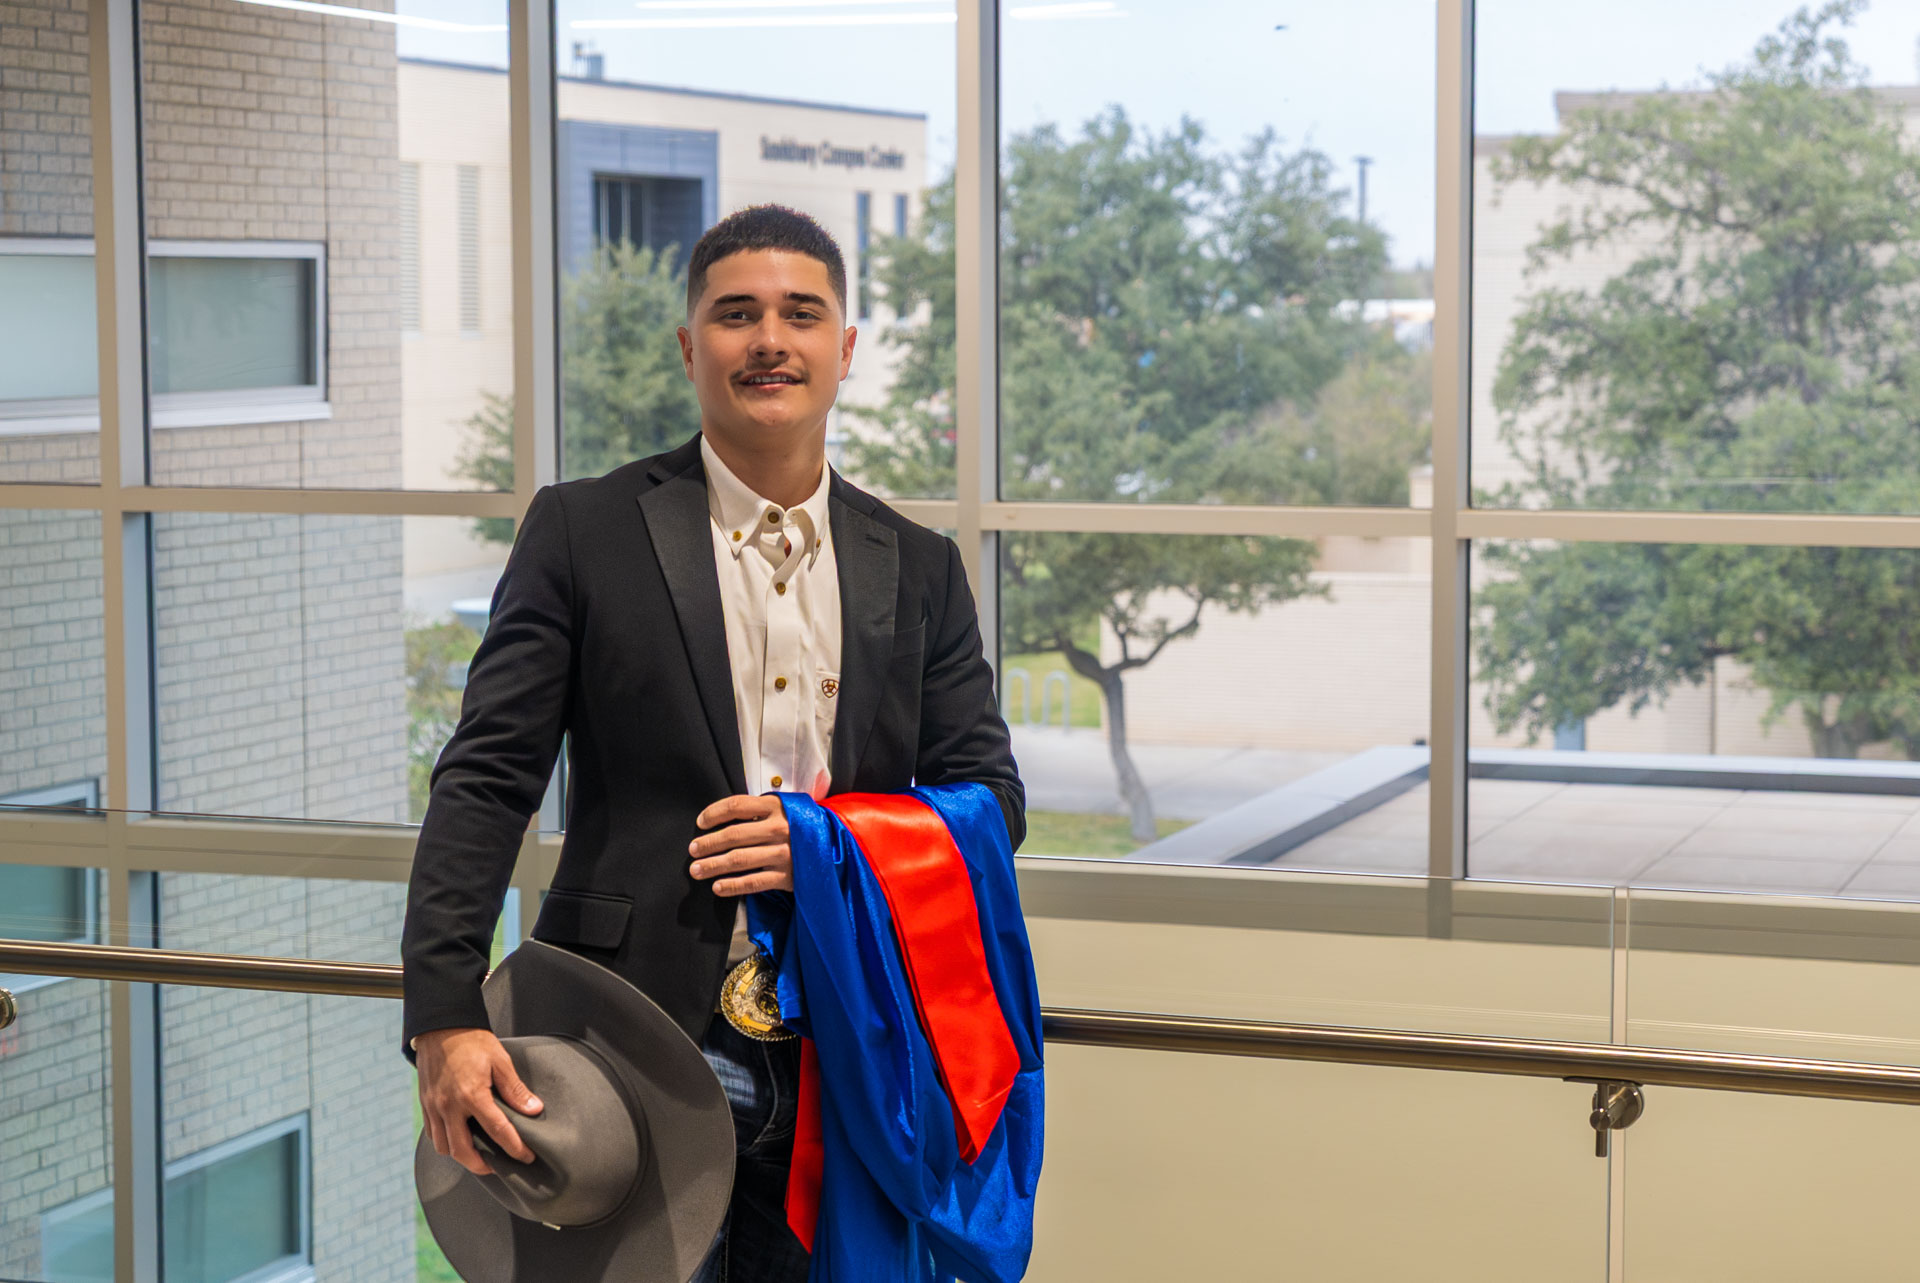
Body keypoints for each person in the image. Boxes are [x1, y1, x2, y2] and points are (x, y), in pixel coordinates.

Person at [401, 203, 1025, 1283]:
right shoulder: (581, 528)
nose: (769, 338)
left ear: (846, 351)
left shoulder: (920, 565)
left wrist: (828, 845)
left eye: (802, 313)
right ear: (692, 347)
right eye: (735, 314)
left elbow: (991, 797)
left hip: (850, 1051)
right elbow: (486, 777)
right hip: (624, 1043)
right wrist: (443, 1015)